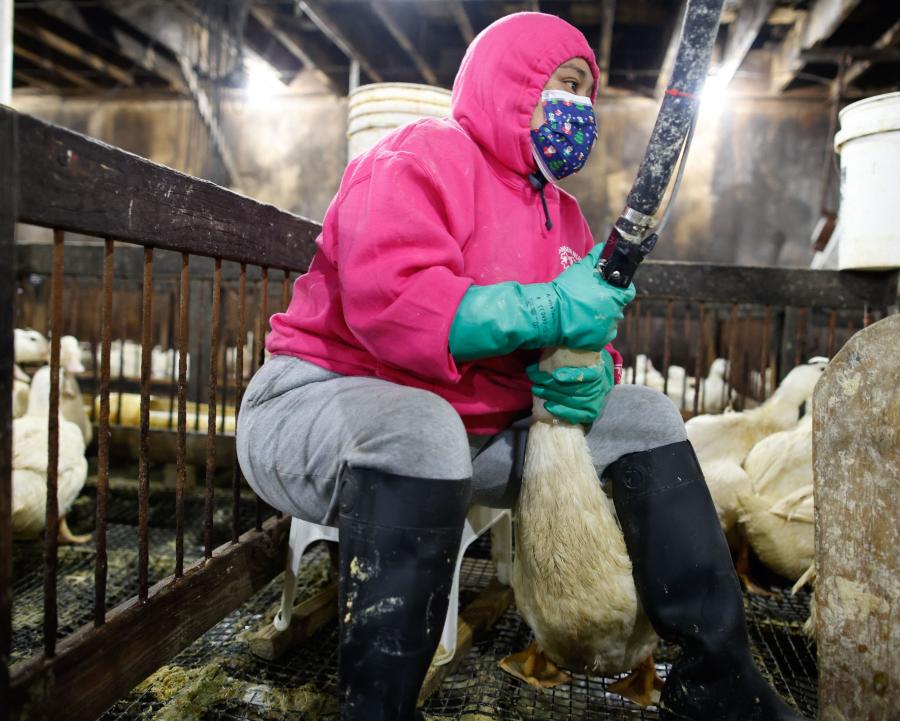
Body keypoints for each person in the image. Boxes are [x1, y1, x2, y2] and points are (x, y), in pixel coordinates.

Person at [237, 12, 808, 721]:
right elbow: (392, 302)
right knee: (421, 426)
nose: (581, 109)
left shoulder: (562, 213)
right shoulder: (417, 157)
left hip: (468, 433)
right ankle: (376, 709)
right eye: (565, 84)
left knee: (644, 415)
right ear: (510, 83)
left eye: (588, 94)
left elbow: (583, 323)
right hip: (322, 404)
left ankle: (717, 687)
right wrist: (543, 311)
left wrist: (592, 369)